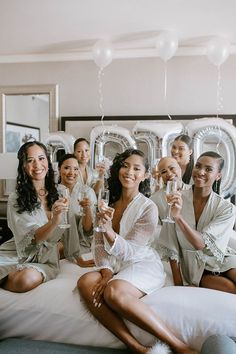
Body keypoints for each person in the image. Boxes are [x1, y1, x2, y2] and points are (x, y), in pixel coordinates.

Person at [78, 148, 197, 354]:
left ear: (145, 175)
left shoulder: (148, 208)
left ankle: (179, 345)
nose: (129, 172)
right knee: (85, 282)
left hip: (141, 263)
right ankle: (136, 347)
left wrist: (108, 232)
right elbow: (97, 244)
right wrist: (105, 271)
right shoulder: (108, 203)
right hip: (115, 265)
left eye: (136, 168)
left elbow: (131, 251)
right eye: (125, 166)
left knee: (113, 292)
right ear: (118, 170)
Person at [158, 151, 236, 293]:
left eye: (208, 169)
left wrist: (179, 218)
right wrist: (178, 284)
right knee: (231, 289)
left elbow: (201, 243)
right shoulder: (176, 199)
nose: (200, 172)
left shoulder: (227, 209)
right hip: (197, 268)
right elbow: (171, 246)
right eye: (198, 166)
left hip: (222, 258)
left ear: (218, 176)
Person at [0, 141, 68, 293]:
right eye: (30, 160)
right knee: (24, 280)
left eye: (41, 158)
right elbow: (31, 240)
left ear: (48, 162)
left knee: (26, 279)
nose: (37, 165)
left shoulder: (61, 191)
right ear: (23, 166)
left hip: (47, 258)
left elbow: (71, 230)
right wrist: (54, 220)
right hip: (19, 253)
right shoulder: (16, 198)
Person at [58, 153, 97, 267]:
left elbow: (88, 229)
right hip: (57, 242)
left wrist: (87, 209)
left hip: (80, 245)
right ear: (59, 168)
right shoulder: (52, 193)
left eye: (75, 169)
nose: (71, 173)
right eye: (66, 168)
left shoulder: (87, 192)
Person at [151, 156, 191, 223]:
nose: (169, 174)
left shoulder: (194, 191)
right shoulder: (154, 199)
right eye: (164, 172)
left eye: (172, 168)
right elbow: (156, 228)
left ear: (180, 168)